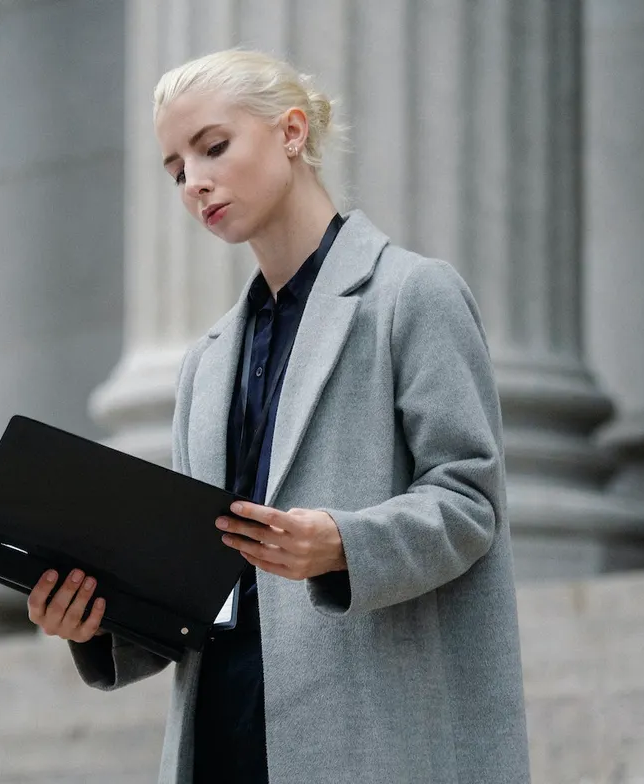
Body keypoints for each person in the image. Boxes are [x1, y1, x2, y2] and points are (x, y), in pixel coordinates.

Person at [26, 48, 530, 784]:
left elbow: (469, 500)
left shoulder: (410, 296)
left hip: (366, 737)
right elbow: (196, 576)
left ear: (292, 133)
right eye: (175, 170)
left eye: (213, 147)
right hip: (221, 735)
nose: (195, 182)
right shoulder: (206, 361)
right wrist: (98, 624)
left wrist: (343, 544)